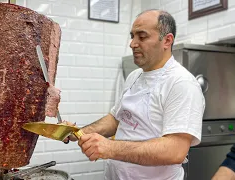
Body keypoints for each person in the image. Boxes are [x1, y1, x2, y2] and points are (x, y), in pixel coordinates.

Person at [64, 9, 205, 180]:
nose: (132, 43)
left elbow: (175, 150)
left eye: (142, 36)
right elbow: (116, 119)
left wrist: (110, 148)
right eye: (132, 36)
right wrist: (77, 132)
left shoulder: (181, 83)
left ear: (167, 40)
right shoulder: (134, 76)